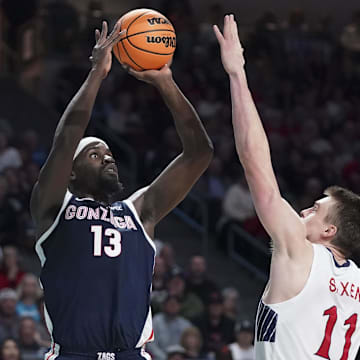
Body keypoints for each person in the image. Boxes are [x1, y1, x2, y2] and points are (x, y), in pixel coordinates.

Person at [30, 20, 213, 360]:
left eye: (110, 154)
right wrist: (96, 75)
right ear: (69, 173)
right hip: (74, 354)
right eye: (94, 154)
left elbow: (200, 153)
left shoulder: (138, 211)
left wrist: (166, 84)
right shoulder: (54, 207)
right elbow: (67, 135)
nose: (107, 158)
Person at [214, 14, 360, 359]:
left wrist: (236, 74)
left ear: (329, 230)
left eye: (315, 209)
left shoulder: (300, 250)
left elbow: (255, 163)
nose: (304, 210)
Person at [147, 296, 192, 360]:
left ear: (180, 306)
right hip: (159, 357)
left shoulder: (185, 324)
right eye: (170, 304)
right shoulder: (156, 321)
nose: (172, 307)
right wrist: (165, 358)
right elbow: (150, 344)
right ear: (164, 305)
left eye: (175, 304)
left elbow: (190, 345)